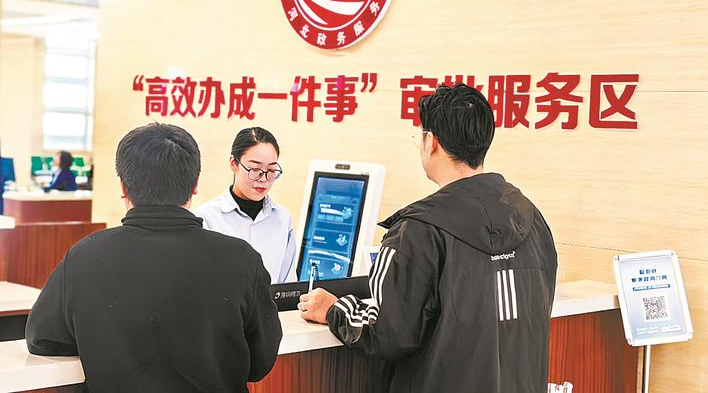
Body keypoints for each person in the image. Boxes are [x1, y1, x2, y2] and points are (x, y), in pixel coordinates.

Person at [299, 84, 558, 393]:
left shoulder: (418, 229)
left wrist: (334, 309)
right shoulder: (532, 219)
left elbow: (389, 334)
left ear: (431, 142)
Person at [26, 123, 282, 392]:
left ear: (123, 187)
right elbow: (260, 363)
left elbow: (42, 339)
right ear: (195, 185)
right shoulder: (242, 260)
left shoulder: (83, 257)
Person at [195, 127, 296, 283]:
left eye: (271, 170)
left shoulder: (283, 219)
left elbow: (288, 285)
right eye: (255, 169)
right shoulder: (206, 218)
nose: (263, 179)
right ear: (233, 163)